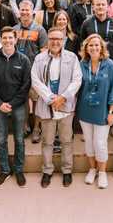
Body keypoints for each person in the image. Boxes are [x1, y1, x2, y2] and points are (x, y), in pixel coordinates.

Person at [30, 27, 82, 188]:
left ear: (63, 40)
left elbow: (77, 80)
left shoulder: (72, 58)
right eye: (52, 38)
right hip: (47, 106)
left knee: (66, 140)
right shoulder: (39, 58)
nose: (55, 42)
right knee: (47, 141)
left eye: (58, 39)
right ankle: (47, 171)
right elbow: (35, 81)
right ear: (48, 40)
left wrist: (63, 97)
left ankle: (67, 171)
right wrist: (51, 98)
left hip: (66, 106)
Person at [0, 27, 32, 187]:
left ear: (15, 39)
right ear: (1, 39)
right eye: (4, 38)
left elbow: (26, 85)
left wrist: (12, 104)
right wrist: (0, 103)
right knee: (2, 140)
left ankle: (19, 170)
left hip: (18, 106)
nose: (7, 41)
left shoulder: (24, 60)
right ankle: (5, 170)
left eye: (10, 38)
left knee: (19, 139)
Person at [77, 33, 113, 189]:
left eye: (97, 45)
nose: (94, 47)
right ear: (86, 48)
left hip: (102, 110)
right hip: (85, 109)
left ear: (101, 47)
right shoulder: (81, 64)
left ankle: (102, 173)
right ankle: (92, 169)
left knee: (100, 143)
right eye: (90, 45)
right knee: (89, 142)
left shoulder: (109, 64)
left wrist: (112, 111)